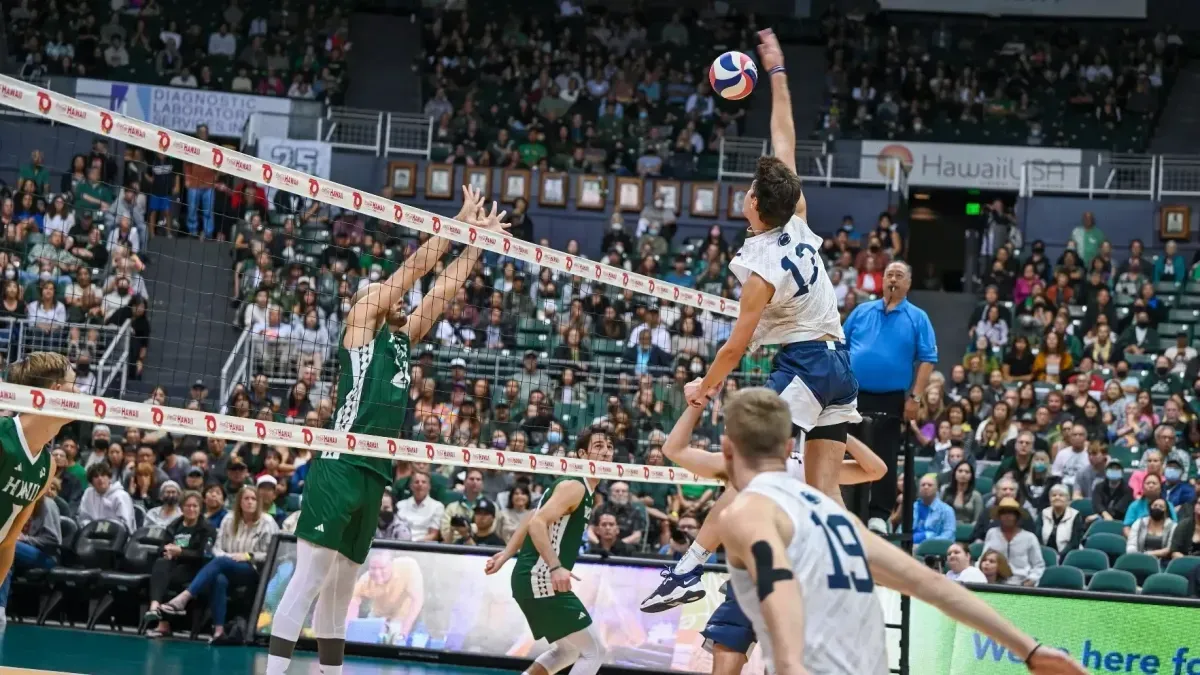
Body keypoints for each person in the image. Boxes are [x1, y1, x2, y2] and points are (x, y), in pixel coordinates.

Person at [267, 186, 506, 675]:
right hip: (339, 461)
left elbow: (442, 291)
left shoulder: (404, 338)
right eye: (383, 294)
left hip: (375, 470)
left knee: (342, 584)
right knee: (311, 576)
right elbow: (412, 274)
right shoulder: (360, 326)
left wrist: (479, 242)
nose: (396, 298)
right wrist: (456, 225)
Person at [710, 387, 1084, 675]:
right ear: (789, 446)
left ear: (727, 449)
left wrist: (790, 665)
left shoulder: (747, 511)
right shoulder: (835, 516)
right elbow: (931, 585)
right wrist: (1029, 650)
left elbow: (778, 587)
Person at [683, 30, 860, 518]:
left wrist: (705, 387)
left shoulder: (759, 265)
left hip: (806, 362)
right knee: (827, 494)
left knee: (748, 462)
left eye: (750, 188)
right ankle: (847, 577)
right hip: (839, 363)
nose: (746, 190)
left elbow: (735, 346)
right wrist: (777, 71)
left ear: (755, 203)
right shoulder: (796, 214)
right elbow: (786, 135)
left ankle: (692, 566)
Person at [640, 388, 886, 625]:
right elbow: (673, 449)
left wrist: (834, 433)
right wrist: (698, 402)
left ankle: (691, 569)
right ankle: (701, 572)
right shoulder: (741, 464)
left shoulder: (806, 464)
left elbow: (877, 470)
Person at [483, 426, 614, 675]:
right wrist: (555, 566)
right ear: (582, 455)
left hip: (532, 578)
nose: (606, 452)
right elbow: (537, 523)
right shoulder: (574, 486)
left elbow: (534, 514)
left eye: (609, 447)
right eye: (599, 447)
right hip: (539, 578)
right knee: (594, 650)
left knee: (568, 650)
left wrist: (506, 553)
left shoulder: (581, 488)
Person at [156, 486, 279, 643]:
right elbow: (217, 547)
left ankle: (184, 598)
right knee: (219, 579)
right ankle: (219, 631)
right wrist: (228, 558)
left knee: (219, 564)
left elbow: (271, 553)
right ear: (239, 502)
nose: (249, 502)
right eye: (246, 498)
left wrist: (247, 556)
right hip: (227, 564)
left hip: (253, 570)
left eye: (253, 499)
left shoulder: (267, 522)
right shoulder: (229, 519)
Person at [0, 352, 77, 601]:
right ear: (56, 392)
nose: (81, 396)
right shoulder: (2, 439)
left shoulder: (47, 466)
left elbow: (8, 541)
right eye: (74, 386)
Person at [144, 490, 216, 638]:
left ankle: (162, 622)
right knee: (161, 563)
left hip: (195, 568)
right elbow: (161, 546)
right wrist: (167, 550)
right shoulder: (174, 525)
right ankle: (155, 607)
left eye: (195, 506)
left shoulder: (207, 529)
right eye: (188, 506)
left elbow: (205, 555)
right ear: (182, 508)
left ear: (200, 508)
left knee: (164, 575)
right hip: (173, 565)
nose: (191, 509)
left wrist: (181, 552)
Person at [982, 498, 1046, 587]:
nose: (1007, 516)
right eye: (1004, 513)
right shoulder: (992, 533)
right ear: (999, 516)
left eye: (1011, 513)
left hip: (1022, 584)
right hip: (995, 583)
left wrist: (1032, 580)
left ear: (1017, 516)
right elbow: (983, 558)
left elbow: (1038, 565)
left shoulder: (1029, 537)